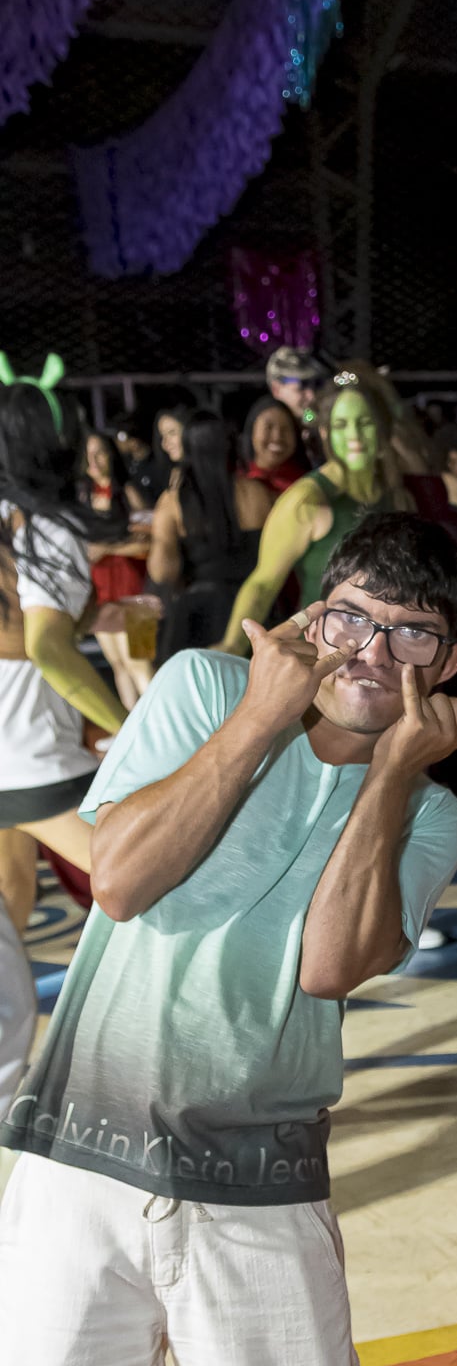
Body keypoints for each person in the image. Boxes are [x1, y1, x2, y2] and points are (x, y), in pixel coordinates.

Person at [0, 513, 457, 1366]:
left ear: (445, 666)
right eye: (355, 614)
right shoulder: (207, 689)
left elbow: (331, 962)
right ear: (314, 611)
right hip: (76, 1164)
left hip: (261, 1184)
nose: (373, 650)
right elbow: (120, 879)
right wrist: (263, 719)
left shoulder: (429, 811)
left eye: (414, 633)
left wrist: (387, 779)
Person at [1, 371, 128, 1124]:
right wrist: (126, 726)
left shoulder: (12, 523)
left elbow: (28, 633)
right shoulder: (48, 530)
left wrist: (90, 620)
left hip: (13, 756)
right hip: (30, 760)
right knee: (148, 891)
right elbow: (44, 650)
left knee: (8, 911)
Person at [218, 372, 414, 654]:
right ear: (325, 432)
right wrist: (232, 646)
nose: (354, 435)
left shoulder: (396, 496)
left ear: (381, 430)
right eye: (341, 425)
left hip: (379, 652)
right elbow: (263, 583)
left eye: (365, 423)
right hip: (319, 657)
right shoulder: (307, 499)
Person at [150, 410, 273, 663]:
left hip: (199, 616)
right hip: (256, 611)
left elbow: (162, 572)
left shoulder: (173, 502)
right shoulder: (259, 494)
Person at [82, 433, 154, 711]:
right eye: (88, 454)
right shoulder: (83, 497)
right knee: (118, 664)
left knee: (140, 662)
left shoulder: (128, 493)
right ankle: (129, 727)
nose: (93, 460)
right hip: (101, 590)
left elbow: (149, 541)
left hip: (134, 587)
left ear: (111, 455)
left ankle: (158, 724)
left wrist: (107, 548)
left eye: (99, 452)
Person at [240, 394, 308, 496]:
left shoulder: (307, 485)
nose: (277, 437)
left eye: (285, 429)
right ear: (252, 432)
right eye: (268, 427)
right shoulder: (238, 486)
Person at [108, 411, 168, 508]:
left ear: (134, 442)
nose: (116, 441)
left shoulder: (158, 465)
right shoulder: (123, 463)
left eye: (120, 437)